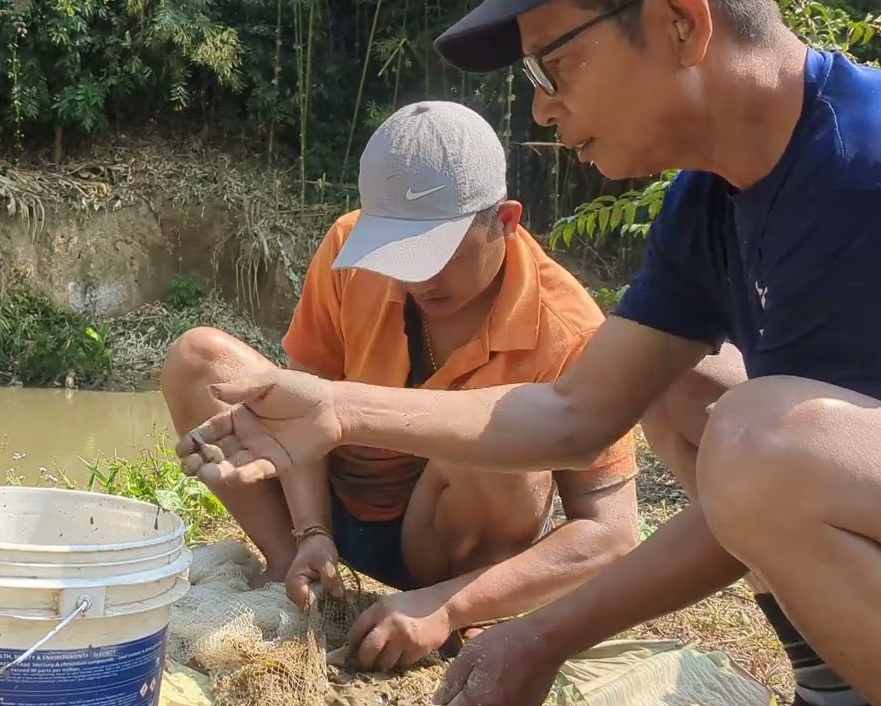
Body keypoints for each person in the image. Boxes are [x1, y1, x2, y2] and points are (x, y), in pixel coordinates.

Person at [173, 0, 881, 706]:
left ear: (679, 23)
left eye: (555, 66)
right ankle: (842, 693)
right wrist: (338, 408)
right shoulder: (706, 203)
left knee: (758, 433)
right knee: (690, 388)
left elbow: (764, 481)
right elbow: (575, 411)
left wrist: (534, 634)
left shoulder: (875, 173)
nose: (542, 109)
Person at [160, 100, 641, 672]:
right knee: (198, 359)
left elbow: (610, 533)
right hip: (337, 498)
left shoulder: (570, 333)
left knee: (498, 436)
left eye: (438, 254)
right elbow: (295, 404)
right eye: (399, 254)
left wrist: (447, 604)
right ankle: (299, 577)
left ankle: (441, 610)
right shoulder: (347, 249)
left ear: (506, 222)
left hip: (447, 537)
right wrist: (312, 530)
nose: (419, 279)